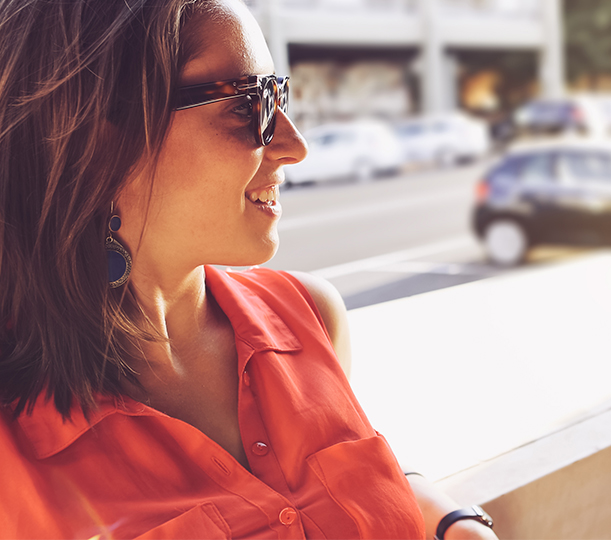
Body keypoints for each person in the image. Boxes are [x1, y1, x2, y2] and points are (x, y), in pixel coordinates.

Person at [0, 1, 497, 538]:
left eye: (279, 96)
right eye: (247, 105)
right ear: (97, 140)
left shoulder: (309, 316)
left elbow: (332, 487)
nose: (295, 146)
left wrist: (454, 521)